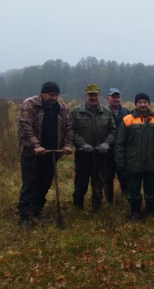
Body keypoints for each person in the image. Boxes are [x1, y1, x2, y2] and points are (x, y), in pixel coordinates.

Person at [16, 82, 74, 229]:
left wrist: (67, 145)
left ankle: (37, 211)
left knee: (45, 183)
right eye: (51, 95)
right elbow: (25, 127)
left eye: (56, 95)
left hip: (52, 153)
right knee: (30, 183)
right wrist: (35, 145)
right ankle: (25, 216)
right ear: (42, 94)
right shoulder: (29, 105)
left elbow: (69, 128)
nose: (54, 98)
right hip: (32, 153)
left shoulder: (62, 107)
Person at [115, 93, 154, 221]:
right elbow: (120, 143)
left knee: (151, 189)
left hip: (151, 161)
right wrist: (120, 162)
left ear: (149, 103)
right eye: (140, 102)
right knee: (133, 189)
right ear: (135, 104)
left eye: (145, 102)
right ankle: (135, 212)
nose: (143, 104)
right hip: (133, 162)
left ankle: (150, 211)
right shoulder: (127, 120)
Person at [71, 84, 116, 212]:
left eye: (95, 95)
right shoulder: (76, 111)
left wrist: (107, 144)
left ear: (99, 96)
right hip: (83, 155)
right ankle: (78, 208)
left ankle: (96, 208)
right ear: (86, 96)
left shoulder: (106, 112)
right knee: (81, 183)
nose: (93, 97)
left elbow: (112, 132)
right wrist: (82, 144)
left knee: (99, 183)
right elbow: (71, 132)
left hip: (100, 155)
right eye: (90, 95)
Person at [104, 88, 130, 205]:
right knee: (107, 177)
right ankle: (109, 201)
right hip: (107, 151)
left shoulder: (127, 112)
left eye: (117, 97)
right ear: (108, 98)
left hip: (123, 152)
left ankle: (126, 199)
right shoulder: (103, 111)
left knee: (124, 176)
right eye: (113, 97)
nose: (116, 99)